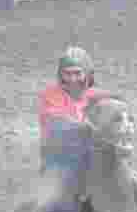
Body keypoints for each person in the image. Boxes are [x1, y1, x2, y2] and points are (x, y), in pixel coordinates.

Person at [37, 46, 105, 183]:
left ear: (87, 74)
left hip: (94, 162)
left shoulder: (99, 96)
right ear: (60, 75)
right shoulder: (49, 96)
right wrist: (86, 127)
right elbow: (56, 124)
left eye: (77, 73)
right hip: (59, 164)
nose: (72, 79)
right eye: (67, 73)